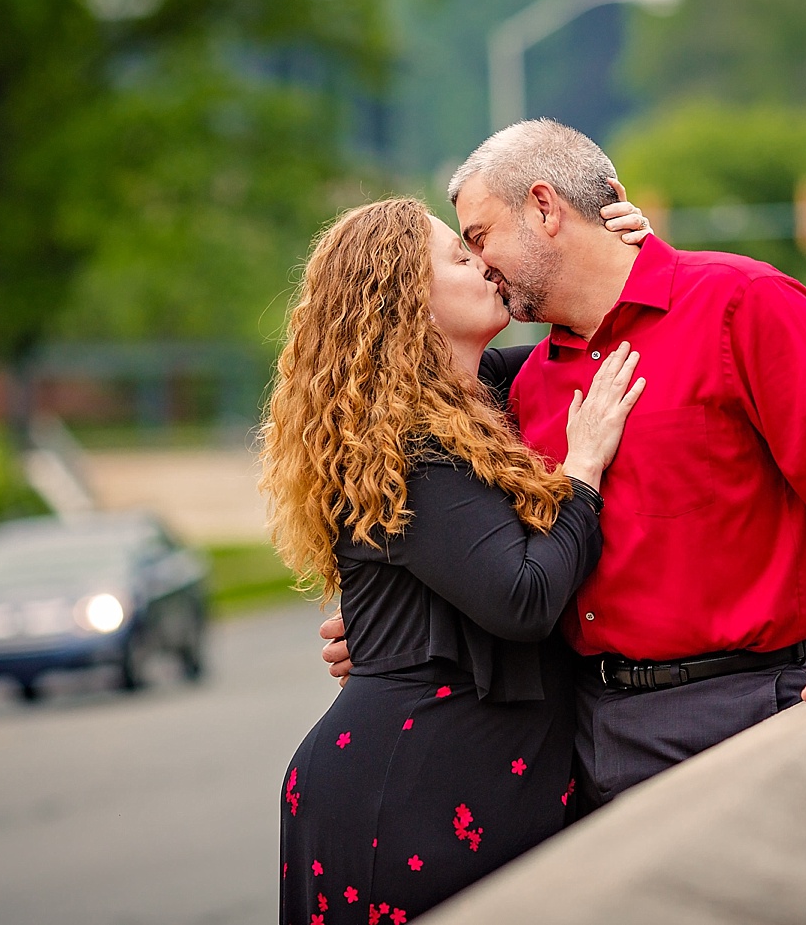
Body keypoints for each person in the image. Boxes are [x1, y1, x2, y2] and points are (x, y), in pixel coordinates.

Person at [323, 120, 806, 812]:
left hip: (745, 703)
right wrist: (399, 628)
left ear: (546, 209)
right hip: (585, 730)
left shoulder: (740, 304)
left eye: (481, 236)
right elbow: (485, 538)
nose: (479, 261)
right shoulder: (520, 387)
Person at [260, 196, 649, 924]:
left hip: (473, 781)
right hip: (408, 794)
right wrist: (585, 471)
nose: (485, 263)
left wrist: (620, 249)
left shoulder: (482, 399)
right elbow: (524, 597)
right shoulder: (406, 446)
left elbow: (606, 336)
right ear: (410, 302)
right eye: (460, 256)